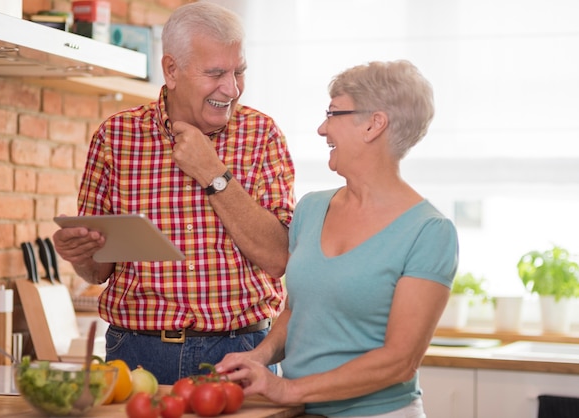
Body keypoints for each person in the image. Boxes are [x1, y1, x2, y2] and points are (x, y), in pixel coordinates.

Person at [52, 2, 295, 384]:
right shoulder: (116, 137)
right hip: (135, 353)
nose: (231, 88)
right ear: (171, 70)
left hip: (242, 351)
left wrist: (213, 173)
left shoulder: (262, 135)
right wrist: (79, 255)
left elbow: (279, 257)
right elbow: (97, 271)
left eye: (239, 71)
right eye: (216, 73)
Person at [216, 60, 459, 417]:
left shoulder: (429, 232)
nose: (321, 128)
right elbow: (297, 312)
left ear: (374, 124)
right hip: (300, 412)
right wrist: (258, 356)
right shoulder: (312, 209)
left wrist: (288, 388)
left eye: (333, 113)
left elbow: (399, 362)